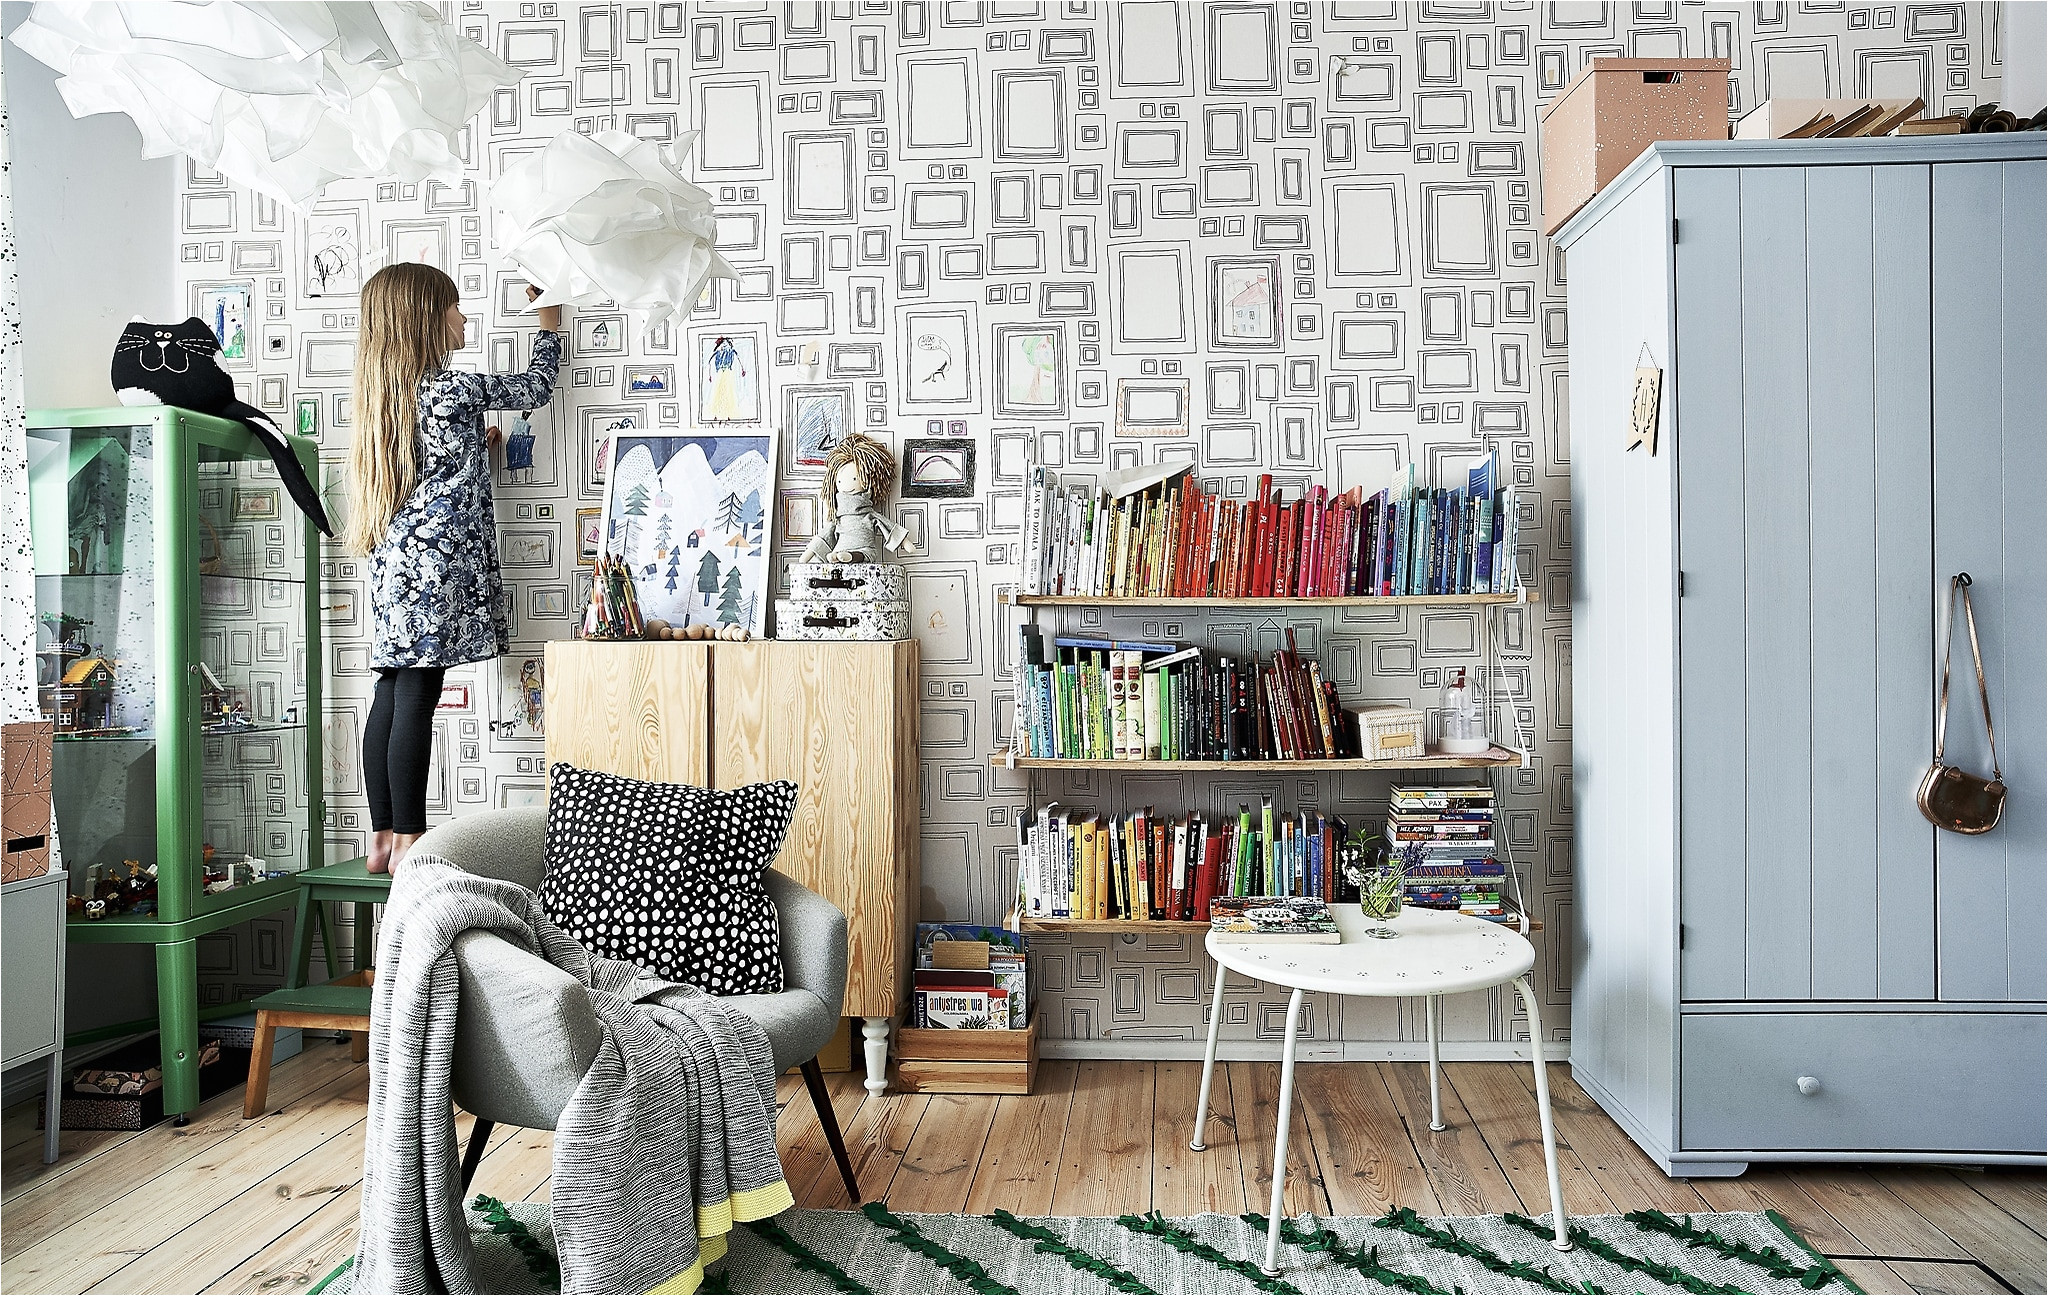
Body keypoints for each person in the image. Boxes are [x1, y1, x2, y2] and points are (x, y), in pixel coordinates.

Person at [342, 264, 562, 873]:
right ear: (424, 321)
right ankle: (412, 839)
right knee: (419, 691)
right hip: (435, 569)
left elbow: (430, 467)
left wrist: (473, 447)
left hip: (396, 565)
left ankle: (381, 835)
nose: (463, 319)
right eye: (455, 308)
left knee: (390, 688)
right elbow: (537, 387)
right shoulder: (449, 390)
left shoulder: (385, 400)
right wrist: (550, 320)